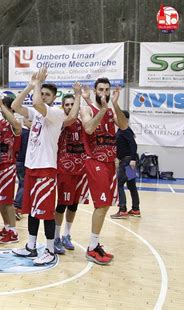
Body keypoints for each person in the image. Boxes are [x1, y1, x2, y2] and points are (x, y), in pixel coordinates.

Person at [12, 67, 80, 266]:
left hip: (46, 168)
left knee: (46, 211)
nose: (42, 96)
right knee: (33, 210)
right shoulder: (37, 114)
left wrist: (39, 83)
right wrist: (30, 85)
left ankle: (50, 250)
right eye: (41, 93)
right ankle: (31, 246)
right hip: (32, 167)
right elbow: (16, 105)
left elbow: (35, 103)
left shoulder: (56, 114)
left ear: (53, 98)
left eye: (46, 94)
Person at [80, 78, 128, 265]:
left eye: (107, 90)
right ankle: (92, 248)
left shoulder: (110, 109)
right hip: (95, 161)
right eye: (101, 89)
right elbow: (89, 128)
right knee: (101, 204)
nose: (104, 93)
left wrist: (115, 105)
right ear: (95, 90)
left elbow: (123, 126)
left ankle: (95, 244)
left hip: (110, 163)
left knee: (106, 204)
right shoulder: (87, 109)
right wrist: (102, 109)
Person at [53, 89, 88, 254]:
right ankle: (55, 237)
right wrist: (78, 96)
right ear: (63, 107)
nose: (69, 107)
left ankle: (67, 235)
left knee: (74, 205)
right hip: (65, 169)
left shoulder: (82, 123)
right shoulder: (61, 121)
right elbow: (71, 118)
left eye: (72, 104)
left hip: (80, 170)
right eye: (67, 104)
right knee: (61, 205)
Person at [0, 95, 22, 244]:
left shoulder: (15, 123)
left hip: (8, 166)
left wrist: (1, 105)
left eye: (3, 108)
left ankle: (13, 233)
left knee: (7, 200)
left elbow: (14, 122)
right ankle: (7, 227)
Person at [111, 110, 141, 218]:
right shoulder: (122, 129)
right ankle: (135, 209)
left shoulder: (125, 130)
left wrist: (132, 160)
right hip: (127, 160)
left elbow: (134, 145)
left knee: (119, 184)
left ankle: (122, 210)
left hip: (127, 161)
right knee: (131, 185)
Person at [14, 117, 31, 220]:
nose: (31, 122)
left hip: (20, 161)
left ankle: (20, 205)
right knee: (23, 183)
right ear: (24, 121)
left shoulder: (20, 132)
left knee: (23, 183)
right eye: (29, 120)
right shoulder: (26, 133)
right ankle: (17, 207)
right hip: (23, 161)